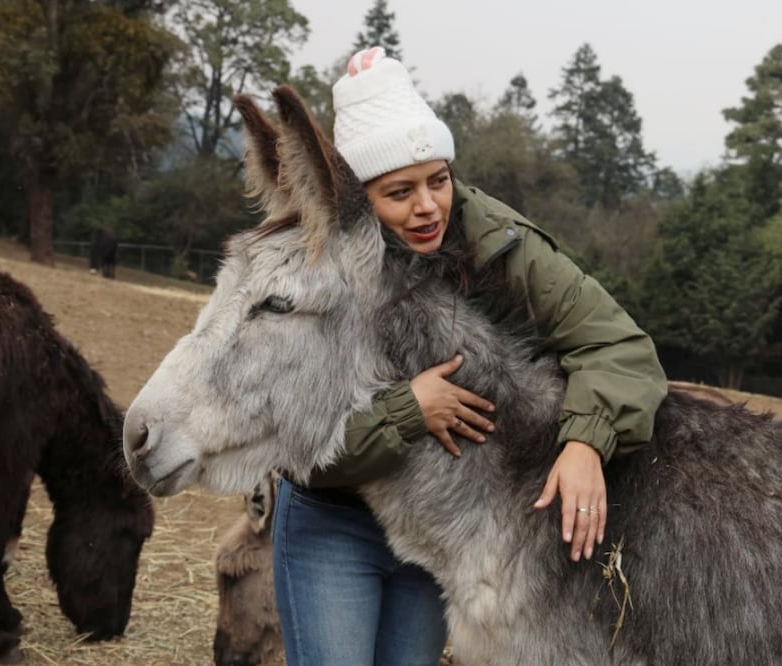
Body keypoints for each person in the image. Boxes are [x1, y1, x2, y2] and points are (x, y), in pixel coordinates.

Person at [271, 46, 668, 666]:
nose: (428, 206)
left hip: (442, 525)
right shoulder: (315, 265)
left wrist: (588, 440)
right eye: (399, 192)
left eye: (438, 179)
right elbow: (297, 442)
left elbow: (616, 344)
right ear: (358, 202)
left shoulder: (496, 240)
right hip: (335, 520)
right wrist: (409, 410)